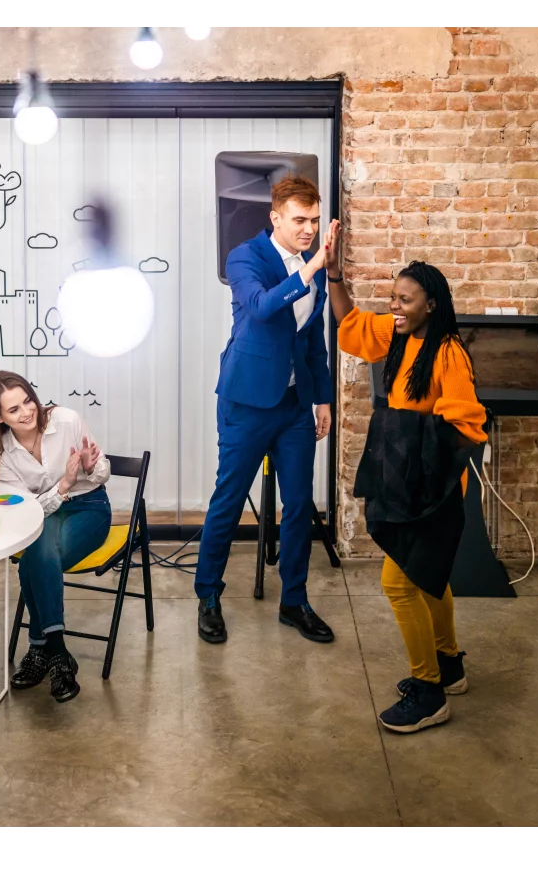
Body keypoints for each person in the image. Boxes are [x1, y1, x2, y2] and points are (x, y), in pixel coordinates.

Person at [329, 259, 487, 733]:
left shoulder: (448, 353)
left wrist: (416, 445)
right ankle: (449, 666)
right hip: (406, 481)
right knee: (428, 576)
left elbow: (466, 425)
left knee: (400, 584)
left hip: (433, 490)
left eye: (405, 300)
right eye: (393, 298)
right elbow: (351, 324)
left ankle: (429, 690)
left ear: (431, 305)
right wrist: (334, 276)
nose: (395, 307)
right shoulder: (400, 333)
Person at [194, 176, 336, 645]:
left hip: (295, 404)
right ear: (275, 217)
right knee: (229, 500)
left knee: (299, 505)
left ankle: (294, 601)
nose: (309, 229)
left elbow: (313, 339)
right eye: (300, 220)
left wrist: (322, 398)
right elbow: (260, 307)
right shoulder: (245, 257)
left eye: (315, 221)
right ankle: (208, 596)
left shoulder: (312, 266)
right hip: (248, 401)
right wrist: (312, 268)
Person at [0, 371, 110, 703]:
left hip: (90, 508)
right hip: (43, 514)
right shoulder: (0, 454)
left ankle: (40, 647)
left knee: (32, 563)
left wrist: (90, 467)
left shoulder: (66, 420)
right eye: (14, 409)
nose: (27, 412)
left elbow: (103, 472)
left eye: (28, 401)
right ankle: (58, 654)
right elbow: (26, 511)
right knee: (40, 553)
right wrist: (62, 486)